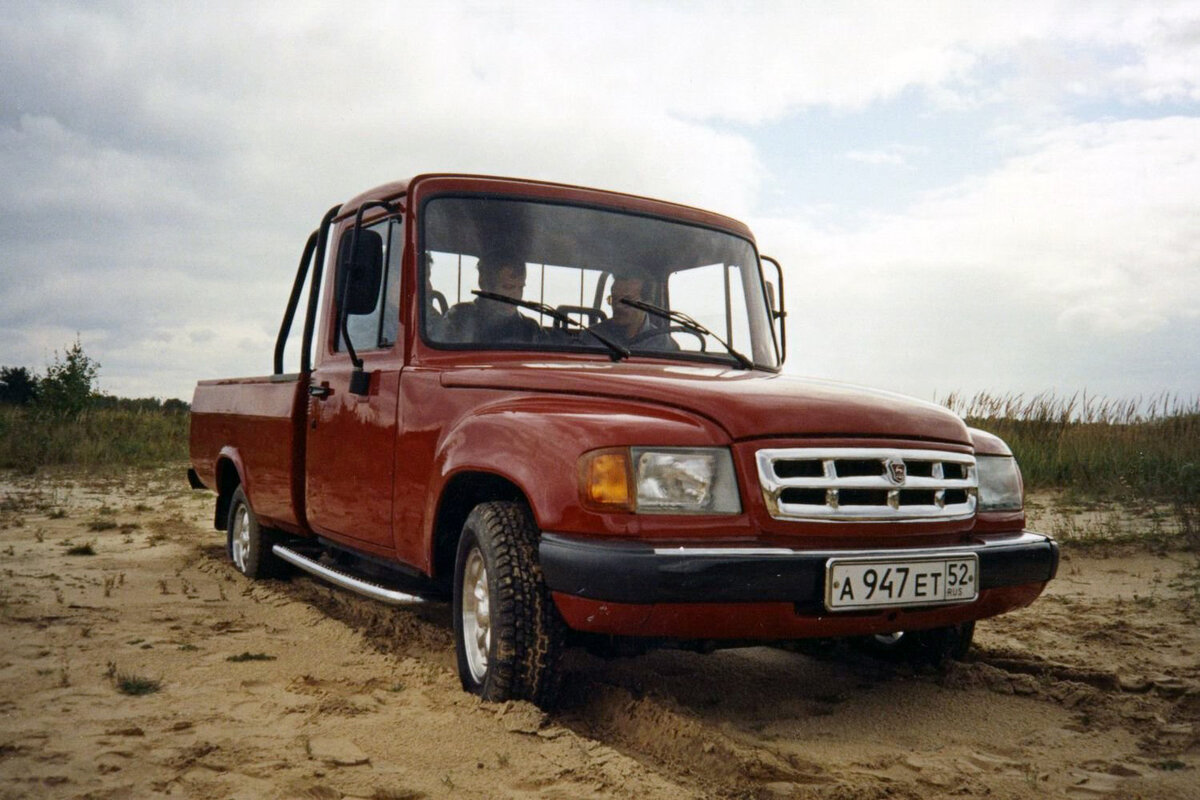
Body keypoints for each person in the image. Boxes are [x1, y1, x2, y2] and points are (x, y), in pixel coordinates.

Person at [444, 253, 542, 344]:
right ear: (484, 284)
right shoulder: (460, 317)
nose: (517, 295)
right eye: (508, 287)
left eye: (521, 288)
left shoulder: (531, 328)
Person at [588, 271, 678, 350]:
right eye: (614, 299)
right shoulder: (591, 338)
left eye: (626, 301)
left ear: (647, 304)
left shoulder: (665, 345)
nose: (618, 306)